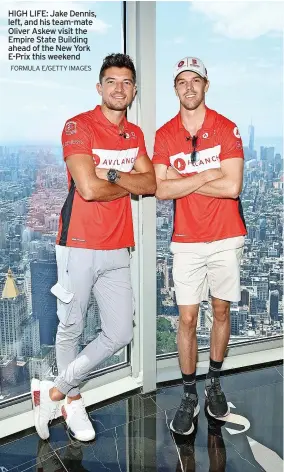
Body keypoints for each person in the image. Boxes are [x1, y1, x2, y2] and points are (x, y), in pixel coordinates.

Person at [31, 53, 156, 442]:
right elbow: (87, 188)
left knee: (120, 331)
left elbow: (150, 184)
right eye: (111, 81)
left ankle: (53, 392)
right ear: (99, 87)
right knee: (71, 326)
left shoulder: (134, 136)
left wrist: (112, 173)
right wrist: (125, 180)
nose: (119, 88)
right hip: (78, 244)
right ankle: (74, 402)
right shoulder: (78, 126)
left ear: (134, 90)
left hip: (119, 245)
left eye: (126, 82)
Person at [153, 57, 247, 435]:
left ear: (206, 85)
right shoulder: (164, 135)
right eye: (181, 81)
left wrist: (186, 178)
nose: (188, 87)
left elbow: (232, 187)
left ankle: (215, 383)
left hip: (226, 236)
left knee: (221, 312)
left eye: (195, 80)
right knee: (188, 319)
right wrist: (209, 173)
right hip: (186, 241)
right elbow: (160, 189)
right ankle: (189, 393)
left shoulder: (227, 128)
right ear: (175, 88)